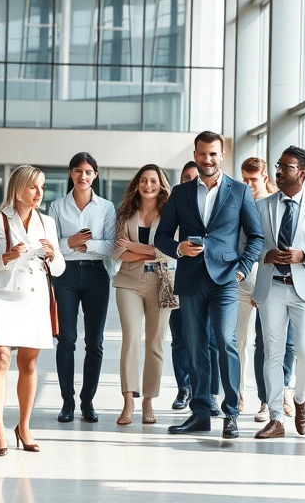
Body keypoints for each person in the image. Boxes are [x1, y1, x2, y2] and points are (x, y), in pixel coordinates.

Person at [156, 131, 264, 439]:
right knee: (195, 346)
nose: (208, 160)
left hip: (226, 280)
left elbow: (255, 237)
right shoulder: (180, 192)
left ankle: (230, 413)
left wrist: (242, 270)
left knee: (225, 342)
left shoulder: (239, 191)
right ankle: (201, 413)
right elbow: (162, 235)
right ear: (195, 153)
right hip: (191, 279)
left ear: (222, 154)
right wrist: (178, 248)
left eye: (213, 154)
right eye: (202, 154)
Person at [0, 166, 66, 455]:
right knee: (0, 358)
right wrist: (6, 256)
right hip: (2, 297)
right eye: (33, 187)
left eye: (41, 187)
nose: (39, 193)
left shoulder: (48, 223)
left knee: (28, 364)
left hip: (34, 298)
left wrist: (53, 256)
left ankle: (23, 426)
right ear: (18, 189)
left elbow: (60, 268)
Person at [251, 147, 305, 438]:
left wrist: (304, 255)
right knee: (272, 354)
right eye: (278, 165)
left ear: (302, 172)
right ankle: (276, 417)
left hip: (304, 290)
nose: (278, 171)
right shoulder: (261, 206)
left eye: (285, 167)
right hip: (271, 287)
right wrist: (266, 255)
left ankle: (300, 398)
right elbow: (246, 245)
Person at [48, 152, 116, 424]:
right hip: (64, 275)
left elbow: (112, 245)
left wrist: (84, 245)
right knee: (66, 339)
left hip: (96, 275)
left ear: (95, 175)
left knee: (95, 342)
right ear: (70, 173)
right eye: (78, 171)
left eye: (88, 172)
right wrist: (70, 242)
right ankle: (67, 402)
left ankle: (88, 402)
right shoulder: (56, 206)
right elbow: (50, 245)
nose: (83, 176)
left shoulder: (106, 207)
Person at [112, 165, 176, 426]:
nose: (148, 185)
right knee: (131, 339)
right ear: (137, 184)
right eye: (143, 181)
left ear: (161, 185)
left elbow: (171, 252)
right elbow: (117, 253)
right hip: (128, 281)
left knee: (155, 343)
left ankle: (149, 399)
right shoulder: (125, 212)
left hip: (162, 283)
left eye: (153, 181)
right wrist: (151, 250)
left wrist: (137, 248)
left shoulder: (172, 214)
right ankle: (128, 399)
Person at [239, 157, 296, 421]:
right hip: (250, 280)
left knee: (286, 342)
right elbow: (242, 244)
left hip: (281, 282)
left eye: (253, 179)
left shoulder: (280, 204)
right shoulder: (242, 203)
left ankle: (283, 388)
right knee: (261, 344)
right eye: (245, 179)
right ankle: (265, 401)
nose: (249, 184)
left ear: (265, 178)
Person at [168, 162, 222, 415]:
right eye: (187, 177)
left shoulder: (216, 198)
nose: (193, 180)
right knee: (181, 338)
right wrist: (179, 248)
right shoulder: (178, 198)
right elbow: (164, 236)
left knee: (210, 340)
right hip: (182, 278)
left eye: (194, 177)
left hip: (214, 279)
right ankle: (185, 386)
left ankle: (210, 393)